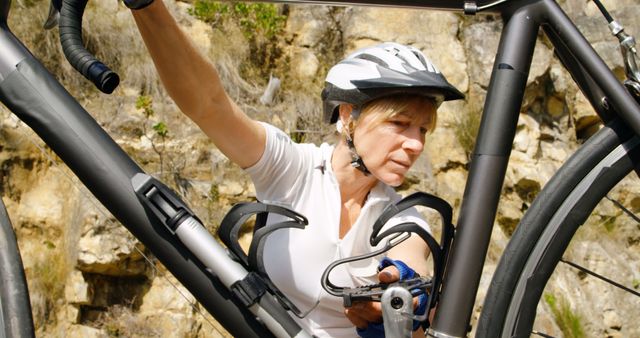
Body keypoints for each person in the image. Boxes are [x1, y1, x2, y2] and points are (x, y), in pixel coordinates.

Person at [124, 0, 464, 337]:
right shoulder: (292, 168)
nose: (416, 144)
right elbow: (210, 104)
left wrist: (402, 298)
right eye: (400, 123)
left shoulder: (404, 219)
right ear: (348, 116)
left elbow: (412, 274)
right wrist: (147, 7)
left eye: (422, 130)